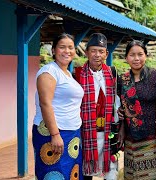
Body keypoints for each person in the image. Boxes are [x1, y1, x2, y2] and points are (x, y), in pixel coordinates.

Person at [32, 33, 84, 180]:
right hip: (53, 132)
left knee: (70, 173)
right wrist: (55, 134)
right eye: (62, 47)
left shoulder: (67, 73)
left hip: (72, 133)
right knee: (53, 173)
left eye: (70, 47)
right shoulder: (49, 72)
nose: (67, 51)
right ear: (54, 50)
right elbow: (45, 103)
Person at [118, 40, 156, 179]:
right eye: (132, 55)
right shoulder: (122, 80)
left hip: (154, 136)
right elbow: (122, 107)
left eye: (140, 54)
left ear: (146, 56)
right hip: (131, 137)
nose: (136, 58)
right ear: (126, 58)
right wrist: (122, 129)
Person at [78, 33, 120, 180]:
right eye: (93, 51)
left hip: (108, 132)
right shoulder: (77, 75)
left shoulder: (113, 73)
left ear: (106, 53)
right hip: (86, 132)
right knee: (86, 172)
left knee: (110, 173)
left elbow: (118, 101)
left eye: (101, 51)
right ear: (87, 52)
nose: (97, 55)